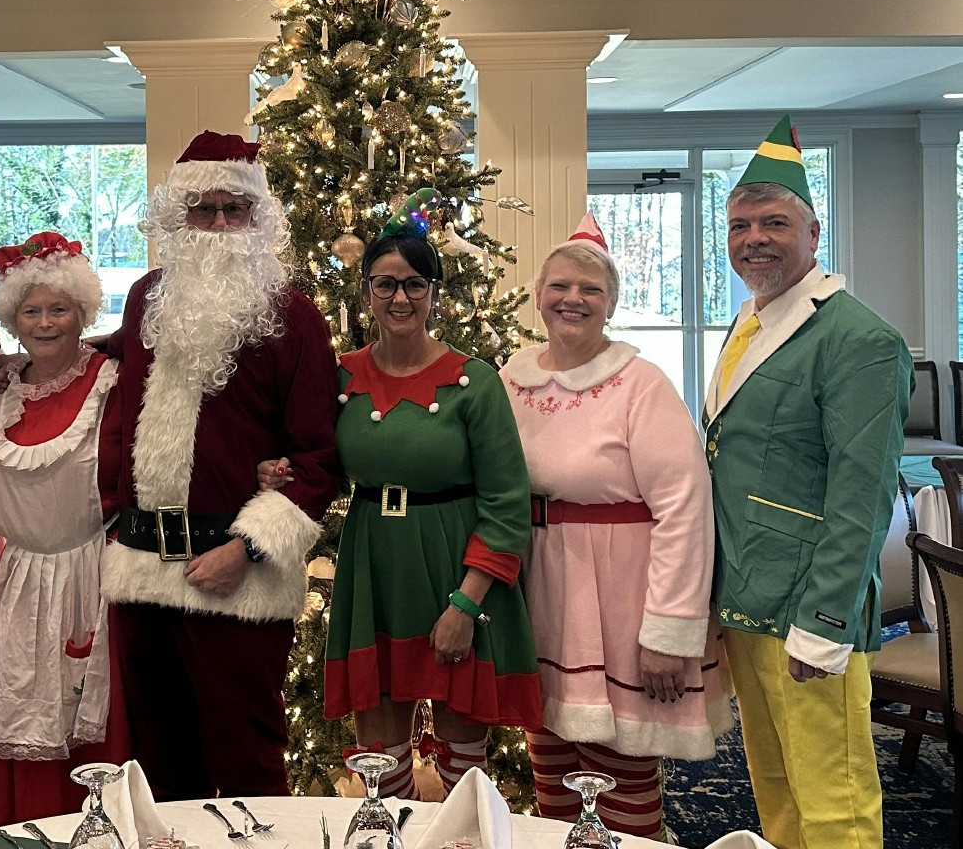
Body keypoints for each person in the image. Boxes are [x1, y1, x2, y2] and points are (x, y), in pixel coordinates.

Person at [271, 190, 541, 800]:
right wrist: (275, 471)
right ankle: (385, 832)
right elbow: (312, 457)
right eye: (385, 284)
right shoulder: (340, 377)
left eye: (415, 284)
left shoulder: (475, 382)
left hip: (452, 566)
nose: (401, 298)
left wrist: (466, 605)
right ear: (365, 291)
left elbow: (505, 504)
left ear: (435, 294)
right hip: (374, 565)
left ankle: (456, 841)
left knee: (460, 738)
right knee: (378, 736)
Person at [100, 130, 341, 800]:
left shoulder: (293, 316)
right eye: (202, 210)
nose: (218, 225)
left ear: (258, 218)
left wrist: (250, 549)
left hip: (233, 575)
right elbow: (114, 370)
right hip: (143, 567)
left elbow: (319, 458)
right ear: (178, 219)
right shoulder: (146, 295)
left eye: (234, 209)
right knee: (157, 761)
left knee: (244, 760)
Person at [705, 117, 910, 849]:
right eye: (739, 224)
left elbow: (863, 494)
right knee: (778, 790)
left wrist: (823, 624)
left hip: (807, 611)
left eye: (773, 222)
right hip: (747, 598)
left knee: (837, 802)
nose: (753, 237)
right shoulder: (749, 323)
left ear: (814, 234)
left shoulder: (860, 340)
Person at [499, 212, 730, 842]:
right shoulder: (512, 380)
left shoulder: (640, 385)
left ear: (611, 304)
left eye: (590, 290)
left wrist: (669, 632)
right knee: (551, 766)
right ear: (539, 296)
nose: (572, 299)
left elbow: (684, 505)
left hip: (622, 603)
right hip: (543, 594)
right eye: (560, 287)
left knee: (621, 777)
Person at [0, 231, 130, 825]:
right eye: (31, 311)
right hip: (20, 580)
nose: (44, 323)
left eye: (58, 309)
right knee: (23, 715)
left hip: (93, 576)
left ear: (83, 313)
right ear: (12, 319)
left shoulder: (112, 384)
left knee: (95, 732)